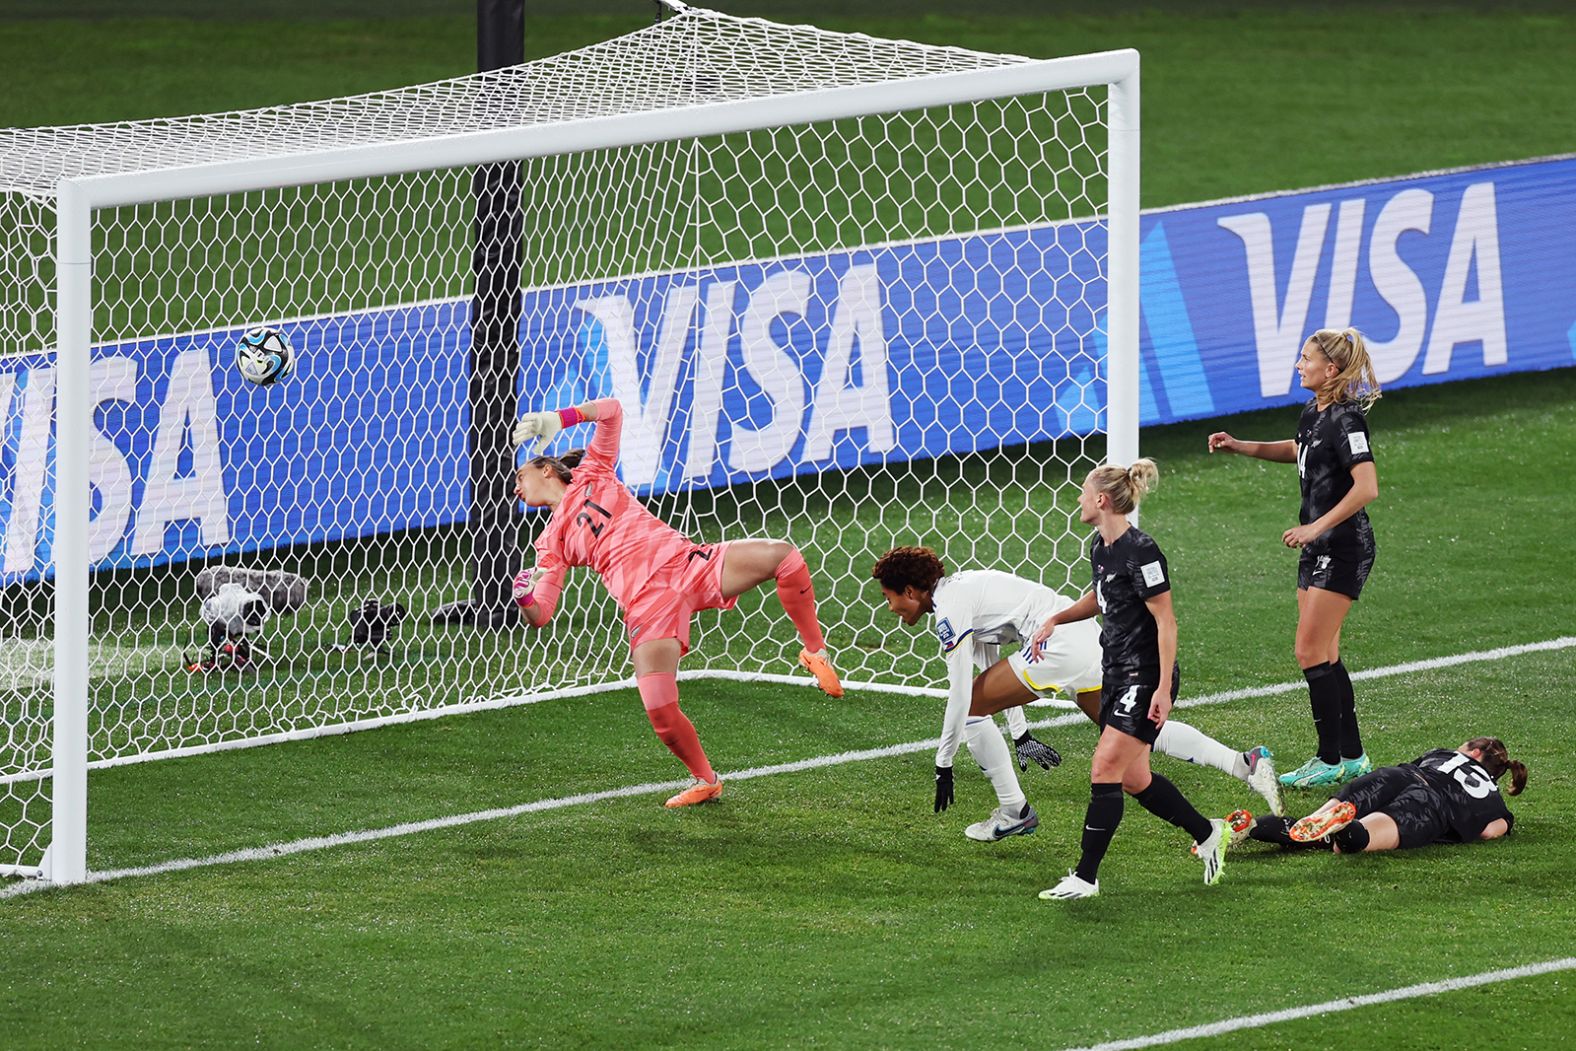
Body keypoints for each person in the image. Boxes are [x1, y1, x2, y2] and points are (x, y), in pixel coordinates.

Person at [510, 399, 843, 808]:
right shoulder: (549, 545)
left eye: (519, 475)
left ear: (546, 469)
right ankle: (707, 779)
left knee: (784, 557)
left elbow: (613, 410)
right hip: (648, 606)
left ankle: (814, 650)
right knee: (660, 712)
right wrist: (525, 597)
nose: (515, 486)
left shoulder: (593, 471)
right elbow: (541, 615)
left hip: (688, 564)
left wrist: (558, 420)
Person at [870, 546, 1282, 844]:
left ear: (911, 591)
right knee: (1123, 732)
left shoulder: (948, 610)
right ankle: (1244, 764)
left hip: (1055, 644)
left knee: (973, 710)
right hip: (1080, 638)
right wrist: (1020, 734)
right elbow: (990, 665)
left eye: (889, 598)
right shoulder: (965, 591)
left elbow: (962, 695)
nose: (890, 609)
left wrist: (943, 762)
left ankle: (1014, 811)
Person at [1030, 461, 1229, 900]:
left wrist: (1161, 688)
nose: (1079, 500)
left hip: (1146, 676)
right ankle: (1208, 832)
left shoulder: (1143, 551)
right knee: (1135, 778)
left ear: (1102, 500)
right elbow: (1103, 598)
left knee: (1104, 767)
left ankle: (1085, 877)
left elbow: (1167, 621)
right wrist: (1056, 619)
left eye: (1084, 492)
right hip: (1115, 672)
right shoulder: (1099, 547)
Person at [1207, 328, 1381, 789]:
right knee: (1325, 651)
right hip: (1316, 548)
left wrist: (1314, 527)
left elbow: (1367, 487)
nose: (1298, 365)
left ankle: (1328, 759)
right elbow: (1300, 450)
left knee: (1309, 651)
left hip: (1342, 548)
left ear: (1331, 370)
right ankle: (1352, 756)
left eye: (1306, 359)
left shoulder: (1348, 420)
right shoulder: (1313, 412)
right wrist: (1242, 445)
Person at [1227, 737, 1524, 854]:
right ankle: (1345, 827)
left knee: (1311, 829)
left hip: (1397, 775)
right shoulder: (1494, 800)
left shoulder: (1441, 754)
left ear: (1473, 752)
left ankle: (1253, 828)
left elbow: (1418, 773)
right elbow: (1488, 832)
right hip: (1430, 805)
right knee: (1354, 841)